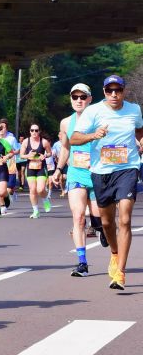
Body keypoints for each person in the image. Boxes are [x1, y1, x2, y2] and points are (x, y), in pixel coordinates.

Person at [71, 75, 143, 290]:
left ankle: (120, 272)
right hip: (101, 171)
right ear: (104, 92)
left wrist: (141, 140)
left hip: (127, 168)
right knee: (108, 223)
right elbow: (74, 138)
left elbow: (139, 129)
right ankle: (114, 253)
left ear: (123, 91)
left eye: (118, 90)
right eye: (110, 90)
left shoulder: (134, 110)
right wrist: (93, 135)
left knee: (125, 219)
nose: (114, 94)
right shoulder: (93, 112)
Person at [53, 83, 106, 278]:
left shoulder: (99, 120)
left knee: (100, 218)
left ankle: (102, 229)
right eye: (74, 97)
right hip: (76, 172)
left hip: (97, 172)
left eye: (82, 97)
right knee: (78, 217)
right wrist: (59, 169)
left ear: (90, 99)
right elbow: (65, 149)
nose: (78, 100)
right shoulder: (66, 123)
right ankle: (82, 263)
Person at [20, 124, 52, 218]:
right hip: (30, 168)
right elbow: (21, 155)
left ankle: (45, 199)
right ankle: (36, 211)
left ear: (39, 131)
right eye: (32, 130)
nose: (34, 132)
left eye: (36, 130)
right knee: (32, 190)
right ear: (29, 131)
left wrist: (45, 156)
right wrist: (28, 156)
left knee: (40, 189)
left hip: (41, 168)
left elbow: (50, 153)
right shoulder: (26, 141)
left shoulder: (44, 142)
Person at [0, 119, 20, 204]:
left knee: (9, 189)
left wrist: (10, 154)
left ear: (6, 129)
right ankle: (3, 207)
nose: (2, 129)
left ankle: (12, 193)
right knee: (1, 189)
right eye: (0, 127)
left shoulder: (11, 139)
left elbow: (17, 150)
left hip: (10, 166)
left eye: (4, 127)